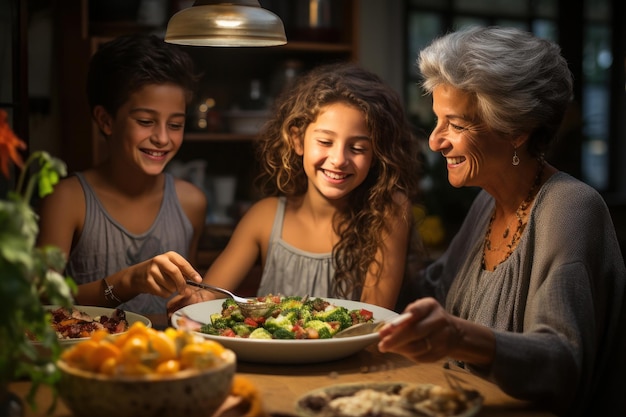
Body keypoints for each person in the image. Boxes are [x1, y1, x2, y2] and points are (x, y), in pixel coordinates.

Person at [377, 26, 626, 416]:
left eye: (456, 125)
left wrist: (459, 337)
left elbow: (561, 361)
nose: (435, 141)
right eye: (438, 121)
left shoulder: (571, 207)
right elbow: (430, 291)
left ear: (516, 132)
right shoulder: (486, 203)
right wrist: (376, 229)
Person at [168, 62, 422, 313]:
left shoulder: (388, 212)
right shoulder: (264, 217)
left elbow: (373, 319)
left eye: (357, 148)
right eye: (325, 141)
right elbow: (209, 300)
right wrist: (193, 302)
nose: (339, 159)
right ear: (298, 139)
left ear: (376, 153)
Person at [36, 34, 206, 315]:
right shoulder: (68, 200)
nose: (163, 138)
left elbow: (189, 292)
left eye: (175, 124)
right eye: (145, 122)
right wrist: (128, 282)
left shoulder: (192, 203)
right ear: (106, 120)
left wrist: (195, 297)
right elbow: (42, 300)